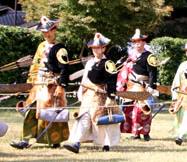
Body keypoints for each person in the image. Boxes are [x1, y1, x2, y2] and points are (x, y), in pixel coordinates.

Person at [10, 16, 70, 149]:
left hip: (52, 84)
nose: (45, 34)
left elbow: (65, 69)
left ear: (54, 31)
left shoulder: (60, 48)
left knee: (49, 112)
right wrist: (30, 83)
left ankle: (55, 141)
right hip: (38, 83)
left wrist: (61, 86)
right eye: (43, 31)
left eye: (48, 31)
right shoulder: (41, 46)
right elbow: (34, 65)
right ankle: (24, 139)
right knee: (30, 110)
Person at [63, 33, 122, 153]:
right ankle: (76, 143)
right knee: (84, 116)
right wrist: (80, 92)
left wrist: (111, 97)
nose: (95, 50)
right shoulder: (90, 62)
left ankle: (106, 144)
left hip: (101, 96)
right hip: (88, 95)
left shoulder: (108, 63)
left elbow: (112, 81)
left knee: (102, 120)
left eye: (98, 48)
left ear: (103, 48)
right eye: (94, 48)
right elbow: (84, 78)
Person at [120, 29, 158, 141]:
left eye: (139, 42)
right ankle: (135, 133)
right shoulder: (132, 56)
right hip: (132, 86)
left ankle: (145, 133)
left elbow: (153, 72)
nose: (137, 44)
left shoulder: (149, 56)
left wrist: (152, 86)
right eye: (135, 42)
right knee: (131, 110)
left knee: (142, 110)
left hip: (143, 85)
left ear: (144, 43)